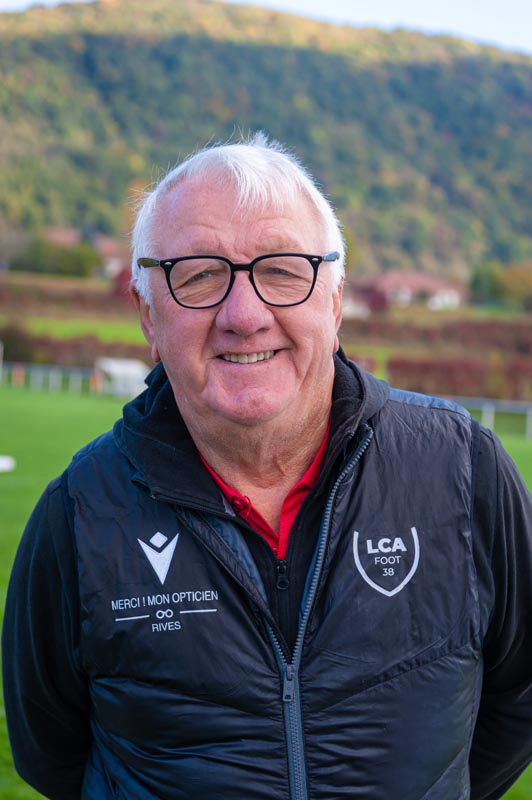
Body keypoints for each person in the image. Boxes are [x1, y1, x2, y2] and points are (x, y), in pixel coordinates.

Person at [3, 133, 532, 800]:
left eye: (282, 270)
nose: (244, 315)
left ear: (333, 303)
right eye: (199, 274)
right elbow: (49, 752)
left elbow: (518, 699)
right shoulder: (79, 513)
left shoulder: (462, 469)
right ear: (148, 316)